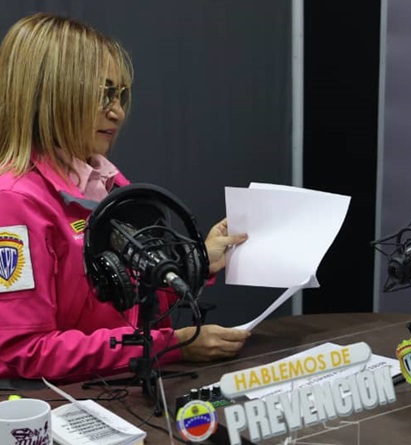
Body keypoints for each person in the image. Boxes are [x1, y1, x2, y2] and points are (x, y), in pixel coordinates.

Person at [0, 13, 250, 383]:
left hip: (120, 390)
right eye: (103, 94)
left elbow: (129, 301)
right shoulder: (14, 202)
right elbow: (24, 350)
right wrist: (168, 346)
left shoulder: (109, 185)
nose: (117, 112)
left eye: (120, 95)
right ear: (50, 94)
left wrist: (197, 262)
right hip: (65, 405)